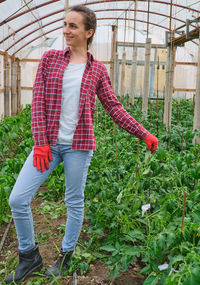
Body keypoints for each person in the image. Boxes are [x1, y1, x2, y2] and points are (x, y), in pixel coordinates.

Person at [4, 4, 158, 284]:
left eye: (73, 26)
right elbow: (37, 102)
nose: (66, 30)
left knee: (74, 202)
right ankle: (29, 256)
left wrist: (143, 133)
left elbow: (113, 106)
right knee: (17, 199)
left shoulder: (97, 70)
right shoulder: (50, 59)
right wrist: (40, 143)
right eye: (65, 24)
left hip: (79, 146)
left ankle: (65, 257)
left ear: (89, 32)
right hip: (48, 146)